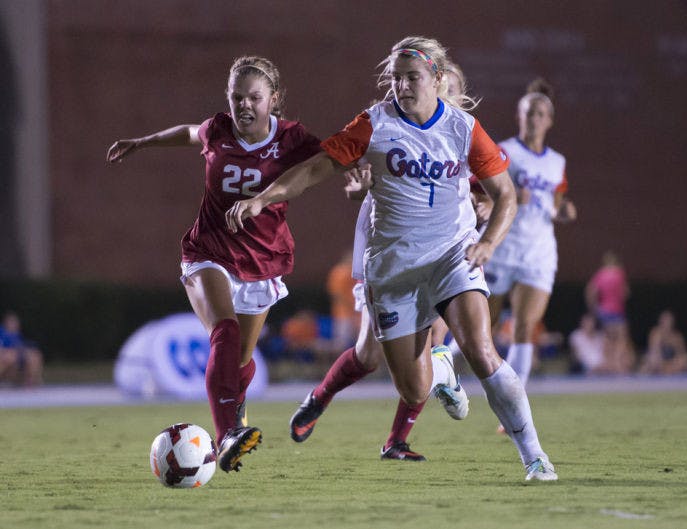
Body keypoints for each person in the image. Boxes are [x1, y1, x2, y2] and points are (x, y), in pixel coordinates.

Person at [225, 36, 558, 481]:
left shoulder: (462, 127)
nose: (402, 86)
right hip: (393, 270)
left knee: (481, 350)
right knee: (414, 386)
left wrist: (488, 245)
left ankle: (534, 456)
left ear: (437, 79)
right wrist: (265, 197)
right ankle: (439, 368)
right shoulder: (374, 124)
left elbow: (505, 196)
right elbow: (315, 169)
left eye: (412, 77)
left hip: (450, 256)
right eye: (396, 78)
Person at [106, 56, 322, 473]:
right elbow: (190, 132)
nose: (243, 105)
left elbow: (329, 161)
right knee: (223, 332)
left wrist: (362, 172)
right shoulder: (219, 129)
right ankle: (226, 435)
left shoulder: (293, 138)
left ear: (273, 99)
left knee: (241, 360)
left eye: (254, 98)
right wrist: (144, 142)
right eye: (236, 96)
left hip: (262, 259)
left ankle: (233, 405)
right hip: (209, 251)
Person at [288, 62, 482, 462]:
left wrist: (489, 206)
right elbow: (372, 174)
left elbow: (491, 187)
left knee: (433, 342)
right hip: (392, 252)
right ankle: (320, 398)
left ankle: (397, 439)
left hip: (446, 253)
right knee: (368, 354)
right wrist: (363, 190)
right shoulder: (392, 125)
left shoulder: (462, 134)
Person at [481, 78, 577, 428]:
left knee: (526, 327)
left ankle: (512, 408)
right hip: (502, 246)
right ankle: (447, 367)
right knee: (482, 327)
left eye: (540, 113)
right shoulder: (505, 151)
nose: (534, 118)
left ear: (549, 120)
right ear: (519, 116)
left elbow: (555, 203)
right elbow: (480, 194)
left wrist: (563, 210)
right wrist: (498, 199)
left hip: (538, 252)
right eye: (528, 112)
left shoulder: (556, 162)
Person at [586, 250, 630, 330]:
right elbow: (625, 294)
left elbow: (590, 292)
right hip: (618, 310)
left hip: (604, 310)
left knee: (606, 337)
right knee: (620, 337)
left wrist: (594, 308)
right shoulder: (620, 273)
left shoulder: (600, 274)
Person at [639, 310, 687, 375]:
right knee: (651, 360)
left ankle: (666, 372)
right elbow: (654, 351)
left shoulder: (677, 336)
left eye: (669, 320)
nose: (667, 323)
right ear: (661, 321)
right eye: (665, 320)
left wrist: (673, 363)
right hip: (659, 362)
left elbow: (681, 353)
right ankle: (667, 372)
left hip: (671, 362)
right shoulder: (656, 333)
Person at [325, 250, 359, 351]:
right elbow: (337, 294)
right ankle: (339, 364)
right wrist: (350, 306)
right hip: (344, 313)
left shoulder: (355, 272)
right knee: (341, 343)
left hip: (357, 312)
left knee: (361, 342)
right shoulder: (340, 272)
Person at [0, 311, 44, 386]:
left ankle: (31, 380)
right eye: (12, 322)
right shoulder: (2, 332)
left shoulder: (16, 334)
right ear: (6, 322)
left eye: (15, 322)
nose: (14, 324)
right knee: (10, 357)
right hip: (6, 355)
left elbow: (21, 346)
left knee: (35, 355)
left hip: (18, 355)